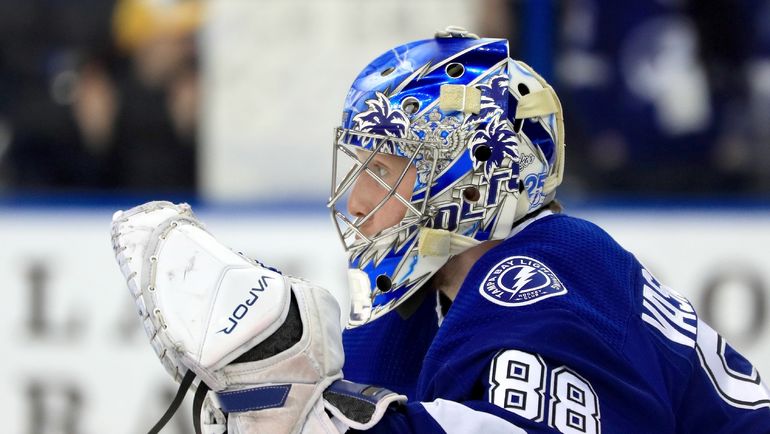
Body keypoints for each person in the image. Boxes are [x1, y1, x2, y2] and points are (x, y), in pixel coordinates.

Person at [113, 28, 770, 433]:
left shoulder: (548, 276)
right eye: (358, 163)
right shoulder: (418, 297)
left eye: (383, 167)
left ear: (471, 176)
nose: (356, 197)